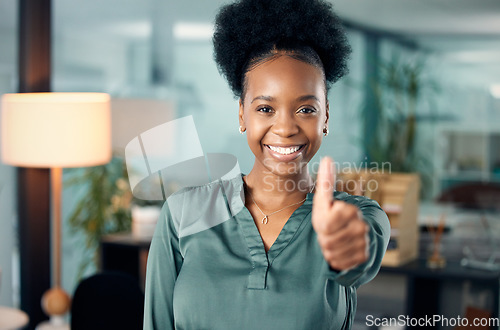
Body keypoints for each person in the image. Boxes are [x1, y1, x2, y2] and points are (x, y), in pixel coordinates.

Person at [143, 0, 390, 329]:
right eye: (265, 109)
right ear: (242, 113)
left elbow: (360, 256)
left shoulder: (359, 217)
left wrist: (348, 249)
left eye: (305, 109)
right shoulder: (182, 214)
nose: (286, 128)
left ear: (325, 115)